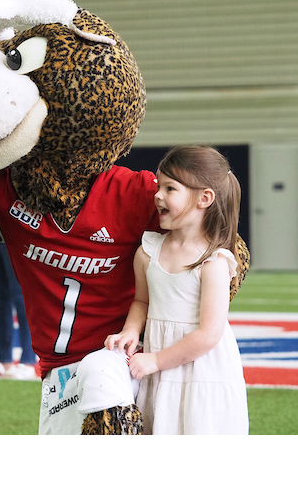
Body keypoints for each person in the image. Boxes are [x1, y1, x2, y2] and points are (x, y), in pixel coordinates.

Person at [104, 146, 249, 434]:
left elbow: (209, 334)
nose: (158, 195)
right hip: (158, 368)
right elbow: (142, 302)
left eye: (170, 188)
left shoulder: (214, 262)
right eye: (159, 186)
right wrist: (130, 331)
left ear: (205, 198)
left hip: (201, 370)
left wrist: (157, 361)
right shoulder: (148, 252)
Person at [0, 243, 37, 380]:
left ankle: (28, 361)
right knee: (0, 298)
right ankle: (5, 361)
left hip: (14, 230)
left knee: (21, 297)